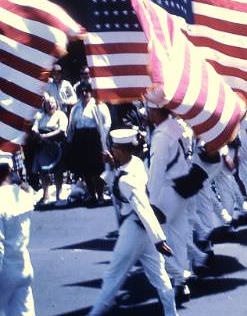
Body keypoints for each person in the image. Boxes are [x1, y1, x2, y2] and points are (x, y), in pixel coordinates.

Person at [89, 129, 178, 316]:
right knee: (160, 277)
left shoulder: (126, 180)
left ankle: (95, 313)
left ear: (123, 150)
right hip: (146, 232)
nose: (112, 151)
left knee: (113, 276)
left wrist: (159, 240)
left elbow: (142, 206)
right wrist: (113, 165)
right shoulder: (136, 163)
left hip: (134, 229)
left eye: (115, 148)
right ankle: (171, 314)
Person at [146, 105, 193, 302]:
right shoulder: (179, 127)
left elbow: (157, 169)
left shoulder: (160, 135)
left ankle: (178, 277)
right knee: (179, 238)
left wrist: (150, 201)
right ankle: (182, 284)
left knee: (154, 242)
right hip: (183, 187)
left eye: (150, 110)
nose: (148, 114)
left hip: (166, 192)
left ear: (157, 112)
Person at [0, 150, 37, 316]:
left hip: (4, 271)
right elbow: (30, 191)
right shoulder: (23, 196)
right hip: (23, 266)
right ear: (9, 170)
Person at [67, 83, 111, 204]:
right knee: (85, 169)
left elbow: (107, 122)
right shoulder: (76, 108)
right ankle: (92, 195)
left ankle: (100, 195)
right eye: (82, 91)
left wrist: (103, 136)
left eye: (86, 91)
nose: (84, 93)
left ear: (90, 92)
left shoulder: (99, 105)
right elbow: (71, 125)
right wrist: (70, 139)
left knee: (96, 169)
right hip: (80, 139)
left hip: (94, 139)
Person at [31, 94, 69, 205]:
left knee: (58, 172)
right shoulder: (40, 115)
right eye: (47, 103)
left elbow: (61, 130)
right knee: (43, 171)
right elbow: (34, 127)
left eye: (52, 102)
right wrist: (39, 135)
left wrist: (46, 137)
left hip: (57, 145)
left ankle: (58, 197)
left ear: (56, 104)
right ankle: (46, 196)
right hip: (42, 146)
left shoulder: (61, 115)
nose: (50, 105)